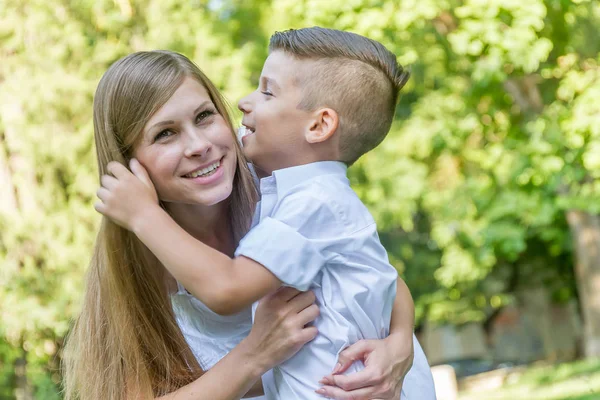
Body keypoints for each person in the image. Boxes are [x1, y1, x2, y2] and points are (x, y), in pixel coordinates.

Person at [96, 28, 436, 399]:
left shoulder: (285, 193)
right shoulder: (129, 272)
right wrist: (254, 355)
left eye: (205, 116)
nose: (199, 146)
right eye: (165, 134)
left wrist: (400, 344)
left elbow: (377, 274)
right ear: (127, 165)